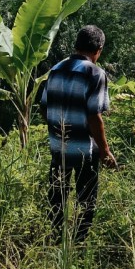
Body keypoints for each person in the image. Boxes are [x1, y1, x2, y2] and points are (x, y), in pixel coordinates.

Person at [40, 25, 117, 245]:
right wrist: (105, 151)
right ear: (98, 50)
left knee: (57, 197)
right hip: (84, 149)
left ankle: (56, 242)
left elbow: (44, 109)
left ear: (77, 45)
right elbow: (94, 117)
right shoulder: (94, 73)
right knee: (86, 199)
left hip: (57, 147)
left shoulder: (55, 69)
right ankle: (79, 244)